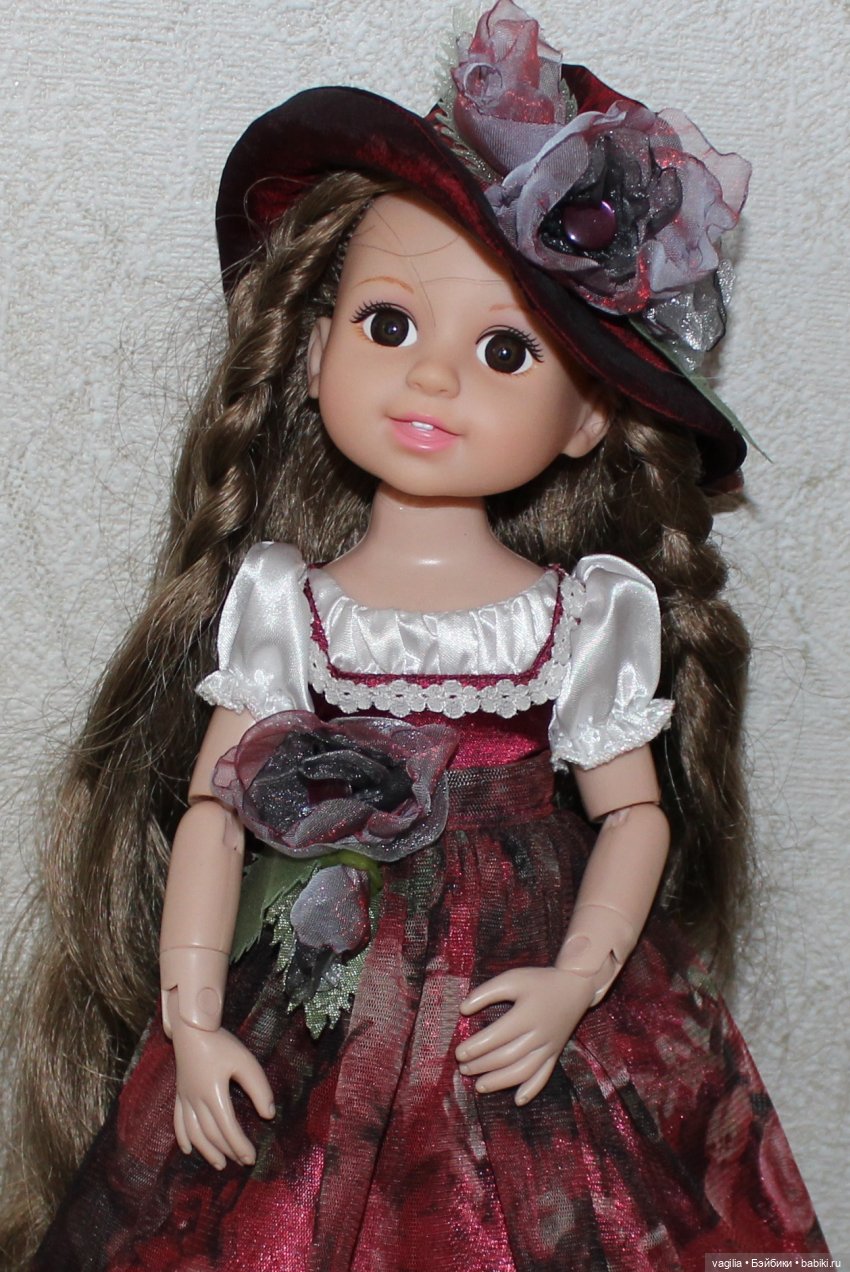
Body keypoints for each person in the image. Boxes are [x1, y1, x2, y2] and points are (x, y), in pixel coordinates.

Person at [3, 3, 827, 1268]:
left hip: (519, 1001)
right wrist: (195, 1019)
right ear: (315, 349)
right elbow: (216, 810)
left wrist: (576, 981)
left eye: (504, 350)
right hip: (316, 987)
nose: (433, 379)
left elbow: (633, 816)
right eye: (389, 325)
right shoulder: (286, 602)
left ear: (588, 418)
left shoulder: (583, 614)